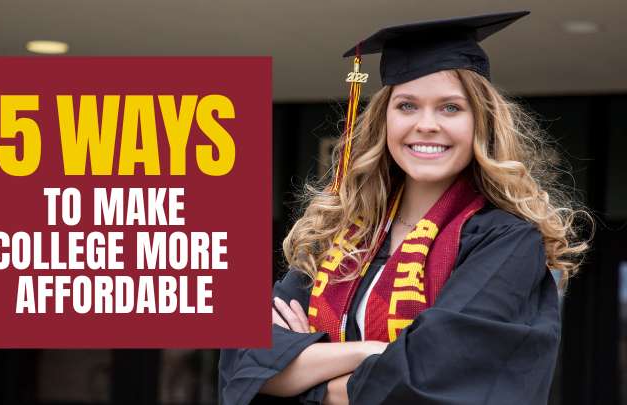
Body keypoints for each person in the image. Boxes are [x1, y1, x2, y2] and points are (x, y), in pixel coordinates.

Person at [218, 11, 593, 405]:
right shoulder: (342, 239)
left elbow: (430, 377)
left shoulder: (505, 241)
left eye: (450, 107)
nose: (426, 124)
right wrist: (371, 352)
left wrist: (302, 373)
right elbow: (241, 361)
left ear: (480, 123)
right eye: (407, 106)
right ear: (384, 121)